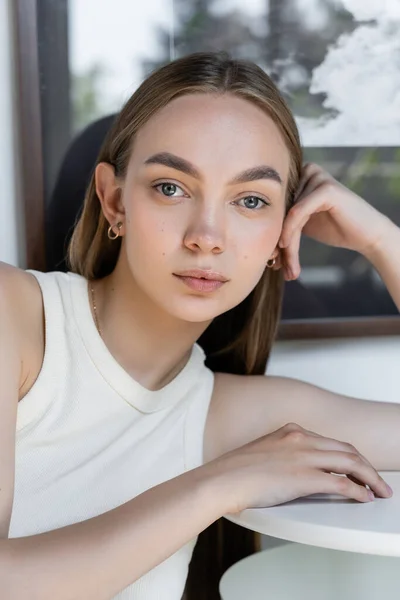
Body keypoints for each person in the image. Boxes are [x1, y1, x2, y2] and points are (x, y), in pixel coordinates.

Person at [0, 51, 399, 600]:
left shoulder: (224, 416)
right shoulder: (15, 316)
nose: (207, 234)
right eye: (171, 187)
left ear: (282, 231)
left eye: (251, 200)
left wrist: (384, 242)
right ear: (114, 201)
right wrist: (221, 484)